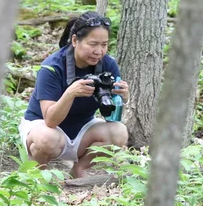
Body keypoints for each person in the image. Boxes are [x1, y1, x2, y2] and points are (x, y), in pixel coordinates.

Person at [19, 11, 129, 178]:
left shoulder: (108, 64)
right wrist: (70, 93)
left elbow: (112, 119)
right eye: (93, 44)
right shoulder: (52, 67)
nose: (99, 51)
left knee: (119, 132)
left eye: (104, 45)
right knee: (47, 138)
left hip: (82, 130)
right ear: (75, 40)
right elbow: (50, 120)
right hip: (43, 127)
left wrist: (121, 99)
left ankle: (79, 169)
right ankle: (38, 175)